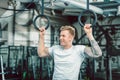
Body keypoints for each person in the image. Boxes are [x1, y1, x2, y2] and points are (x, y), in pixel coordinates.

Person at [38, 24, 102, 80]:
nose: (60, 38)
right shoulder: (55, 49)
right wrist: (41, 36)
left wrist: (89, 34)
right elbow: (41, 53)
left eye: (63, 36)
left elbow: (98, 53)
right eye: (60, 35)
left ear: (70, 38)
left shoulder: (79, 50)